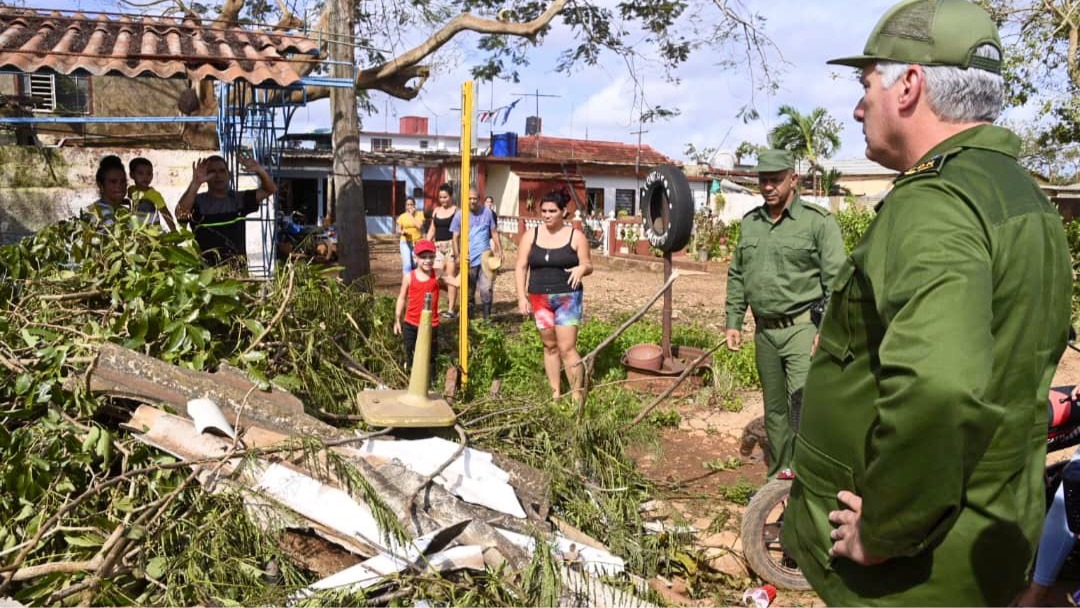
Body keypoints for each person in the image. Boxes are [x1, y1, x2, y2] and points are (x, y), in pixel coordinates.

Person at [780, 1, 1073, 605]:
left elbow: (938, 387)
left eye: (867, 85)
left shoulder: (936, 203)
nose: (859, 107)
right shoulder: (1028, 201)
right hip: (988, 537)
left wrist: (887, 529)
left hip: (913, 575)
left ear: (909, 85)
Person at [723, 149, 845, 479]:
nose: (768, 187)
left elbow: (837, 281)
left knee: (803, 406)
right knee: (775, 412)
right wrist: (734, 320)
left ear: (794, 179)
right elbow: (737, 274)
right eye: (763, 180)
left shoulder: (816, 223)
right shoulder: (751, 224)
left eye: (776, 180)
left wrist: (828, 330)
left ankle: (809, 479)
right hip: (765, 332)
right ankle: (780, 477)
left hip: (802, 330)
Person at [514, 191, 592, 401]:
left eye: (552, 211)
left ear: (563, 212)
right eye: (544, 211)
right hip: (539, 298)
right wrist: (522, 297)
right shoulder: (531, 235)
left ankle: (577, 397)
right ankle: (554, 394)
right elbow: (521, 267)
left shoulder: (576, 236)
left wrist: (581, 269)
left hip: (567, 298)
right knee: (549, 346)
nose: (547, 215)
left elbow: (588, 264)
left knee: (567, 348)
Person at [175, 153, 277, 264]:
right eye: (212, 172)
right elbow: (180, 214)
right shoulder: (198, 202)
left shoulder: (239, 199)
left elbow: (269, 190)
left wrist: (260, 170)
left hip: (237, 274)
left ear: (229, 175)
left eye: (222, 171)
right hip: (206, 274)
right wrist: (195, 184)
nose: (218, 176)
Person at [394, 239, 458, 372]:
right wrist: (397, 319)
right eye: (423, 257)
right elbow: (401, 298)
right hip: (411, 324)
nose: (427, 260)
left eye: (431, 257)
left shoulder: (438, 274)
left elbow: (457, 283)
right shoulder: (409, 277)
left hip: (431, 324)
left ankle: (431, 385)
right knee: (411, 355)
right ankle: (410, 381)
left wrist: (465, 264)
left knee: (430, 359)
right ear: (415, 258)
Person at [451, 187, 502, 321]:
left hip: (485, 257)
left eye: (475, 198)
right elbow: (455, 237)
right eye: (469, 198)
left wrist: (500, 250)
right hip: (468, 259)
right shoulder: (459, 215)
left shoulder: (487, 213)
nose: (472, 201)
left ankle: (487, 319)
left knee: (486, 288)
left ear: (479, 199)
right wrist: (458, 256)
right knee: (468, 291)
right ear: (465, 199)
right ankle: (469, 319)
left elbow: (494, 232)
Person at [426, 183, 459, 318]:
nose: (443, 200)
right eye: (440, 197)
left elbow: (460, 232)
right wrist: (426, 244)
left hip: (451, 247)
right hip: (438, 247)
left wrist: (459, 252)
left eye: (445, 197)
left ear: (451, 197)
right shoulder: (436, 211)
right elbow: (432, 229)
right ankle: (435, 307)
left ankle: (451, 309)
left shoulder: (457, 211)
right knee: (436, 276)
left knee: (450, 277)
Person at [128, 157, 177, 231]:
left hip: (153, 231)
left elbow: (166, 214)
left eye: (149, 173)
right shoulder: (131, 190)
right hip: (136, 231)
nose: (146, 177)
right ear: (132, 175)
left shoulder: (155, 195)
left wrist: (174, 231)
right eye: (140, 173)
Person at [88, 155, 128, 224]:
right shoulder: (94, 213)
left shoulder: (126, 211)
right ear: (101, 185)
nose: (119, 186)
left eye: (123, 181)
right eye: (113, 182)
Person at [395, 197, 426, 274]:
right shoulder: (402, 216)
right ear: (405, 206)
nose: (409, 206)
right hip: (405, 242)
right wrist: (402, 232)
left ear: (414, 205)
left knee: (415, 264)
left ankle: (415, 283)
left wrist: (411, 215)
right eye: (408, 205)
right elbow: (398, 230)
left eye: (411, 204)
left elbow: (419, 226)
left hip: (417, 242)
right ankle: (407, 283)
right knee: (407, 265)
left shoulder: (419, 214)